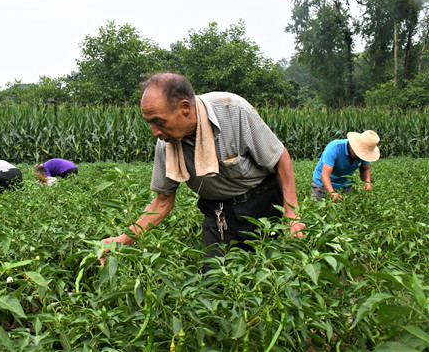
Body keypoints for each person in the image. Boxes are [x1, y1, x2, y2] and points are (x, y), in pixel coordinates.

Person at [102, 73, 305, 267]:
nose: (155, 132)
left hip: (263, 204)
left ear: (185, 107)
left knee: (277, 269)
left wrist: (291, 213)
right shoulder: (166, 144)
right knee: (215, 282)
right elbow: (162, 202)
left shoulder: (233, 111)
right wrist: (122, 240)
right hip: (218, 213)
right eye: (150, 123)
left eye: (159, 121)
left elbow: (279, 158)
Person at [311, 130, 380, 203]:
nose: (361, 157)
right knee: (320, 209)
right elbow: (325, 176)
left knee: (346, 209)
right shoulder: (334, 148)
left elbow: (365, 169)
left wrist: (367, 182)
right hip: (322, 185)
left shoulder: (363, 156)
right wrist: (332, 193)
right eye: (359, 154)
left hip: (345, 184)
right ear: (352, 146)